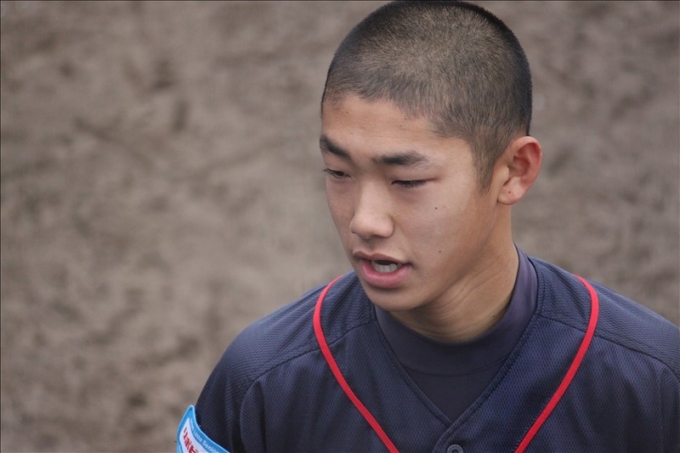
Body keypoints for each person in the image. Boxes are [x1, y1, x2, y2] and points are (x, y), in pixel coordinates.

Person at [177, 2, 680, 452]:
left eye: (407, 181)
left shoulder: (651, 381)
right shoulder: (264, 382)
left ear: (514, 171)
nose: (364, 220)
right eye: (338, 172)